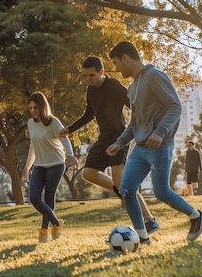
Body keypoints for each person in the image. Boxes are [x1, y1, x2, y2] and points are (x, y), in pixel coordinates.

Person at [105, 41, 202, 244]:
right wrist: (120, 142)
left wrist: (160, 132)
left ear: (126, 58)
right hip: (140, 148)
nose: (115, 69)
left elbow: (174, 107)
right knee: (126, 189)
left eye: (116, 63)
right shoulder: (132, 89)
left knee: (161, 192)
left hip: (160, 146)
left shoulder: (155, 76)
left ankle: (196, 215)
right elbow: (135, 123)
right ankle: (142, 237)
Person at [60, 56, 160, 233]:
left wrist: (149, 126)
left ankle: (150, 220)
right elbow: (89, 115)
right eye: (85, 76)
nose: (88, 79)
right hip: (103, 138)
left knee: (125, 185)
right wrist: (70, 129)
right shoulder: (90, 91)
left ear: (101, 72)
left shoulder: (114, 86)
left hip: (118, 138)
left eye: (91, 75)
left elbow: (134, 106)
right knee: (88, 174)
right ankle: (118, 190)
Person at [23, 92, 79, 243]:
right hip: (39, 165)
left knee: (49, 197)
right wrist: (27, 167)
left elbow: (64, 137)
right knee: (34, 197)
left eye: (36, 107)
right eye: (30, 108)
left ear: (42, 106)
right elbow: (33, 145)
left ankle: (43, 232)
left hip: (56, 164)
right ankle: (56, 223)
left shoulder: (53, 122)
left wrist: (71, 154)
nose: (33, 110)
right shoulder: (30, 123)